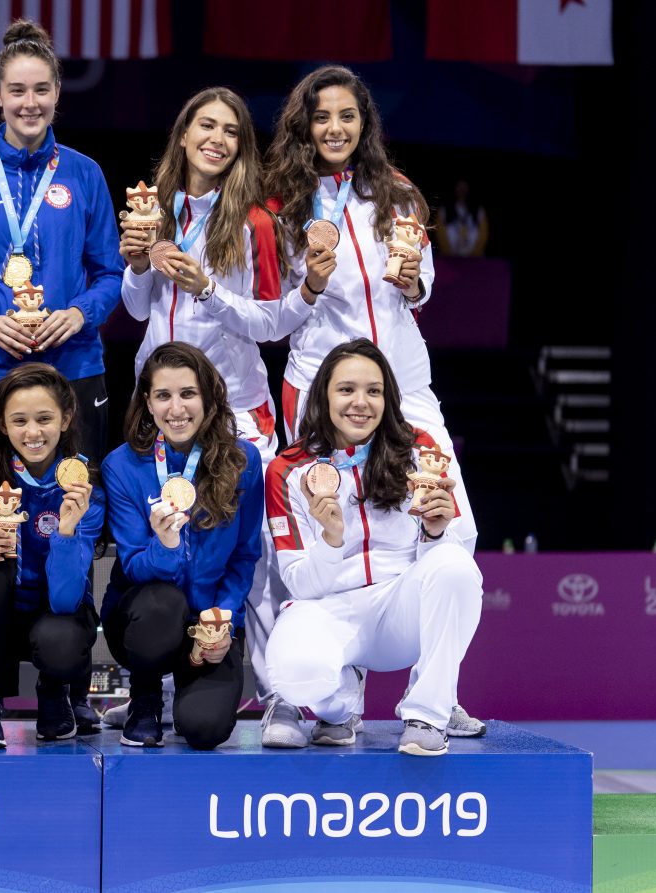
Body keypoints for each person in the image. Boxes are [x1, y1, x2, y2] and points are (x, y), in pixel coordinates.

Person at [260, 64, 484, 739]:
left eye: (347, 116)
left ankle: (433, 689)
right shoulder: (279, 206)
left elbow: (422, 287)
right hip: (322, 388)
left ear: (365, 124)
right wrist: (309, 280)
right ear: (304, 126)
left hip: (404, 385)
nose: (334, 128)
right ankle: (312, 693)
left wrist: (416, 282)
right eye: (321, 117)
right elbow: (273, 305)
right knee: (314, 524)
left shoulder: (399, 193)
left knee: (456, 529)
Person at [115, 86, 315, 745]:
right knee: (169, 538)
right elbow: (139, 308)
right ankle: (167, 687)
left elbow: (277, 319)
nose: (218, 138)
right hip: (164, 412)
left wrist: (208, 289)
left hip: (234, 417)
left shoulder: (254, 221)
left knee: (249, 564)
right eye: (206, 124)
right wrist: (139, 260)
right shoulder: (157, 206)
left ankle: (282, 697)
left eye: (231, 130)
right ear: (183, 132)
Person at [265, 339, 482, 756]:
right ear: (323, 396)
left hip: (400, 609)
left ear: (389, 398)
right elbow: (299, 584)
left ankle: (426, 714)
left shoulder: (421, 451)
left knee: (454, 564)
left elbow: (445, 572)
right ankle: (341, 706)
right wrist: (330, 542)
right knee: (293, 672)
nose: (360, 403)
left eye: (374, 391)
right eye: (346, 389)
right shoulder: (287, 470)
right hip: (330, 609)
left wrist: (435, 534)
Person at [0, 18, 123, 461]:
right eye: (17, 91)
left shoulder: (85, 174)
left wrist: (79, 313)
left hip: (72, 364)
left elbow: (111, 274)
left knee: (77, 504)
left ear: (57, 93)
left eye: (41, 90)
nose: (30, 103)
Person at [101, 343, 263, 750]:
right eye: (163, 396)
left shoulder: (244, 461)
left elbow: (245, 555)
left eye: (188, 393)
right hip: (145, 619)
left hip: (210, 620)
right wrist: (168, 545)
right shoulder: (121, 466)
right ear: (148, 403)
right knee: (162, 603)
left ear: (208, 397)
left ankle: (183, 696)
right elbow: (135, 567)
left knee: (204, 730)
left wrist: (224, 618)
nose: (177, 408)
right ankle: (146, 698)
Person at [0, 363, 103, 747]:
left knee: (60, 633)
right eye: (19, 420)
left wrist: (66, 532)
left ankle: (58, 691)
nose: (32, 433)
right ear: (2, 424)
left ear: (65, 419)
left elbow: (68, 597)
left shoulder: (85, 486)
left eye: (44, 419)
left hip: (56, 614)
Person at [436, 178, 489, 257]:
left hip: (474, 259)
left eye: (464, 187)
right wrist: (447, 252)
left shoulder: (478, 210)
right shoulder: (444, 210)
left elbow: (483, 234)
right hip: (449, 259)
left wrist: (476, 253)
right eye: (459, 187)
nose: (462, 190)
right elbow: (440, 233)